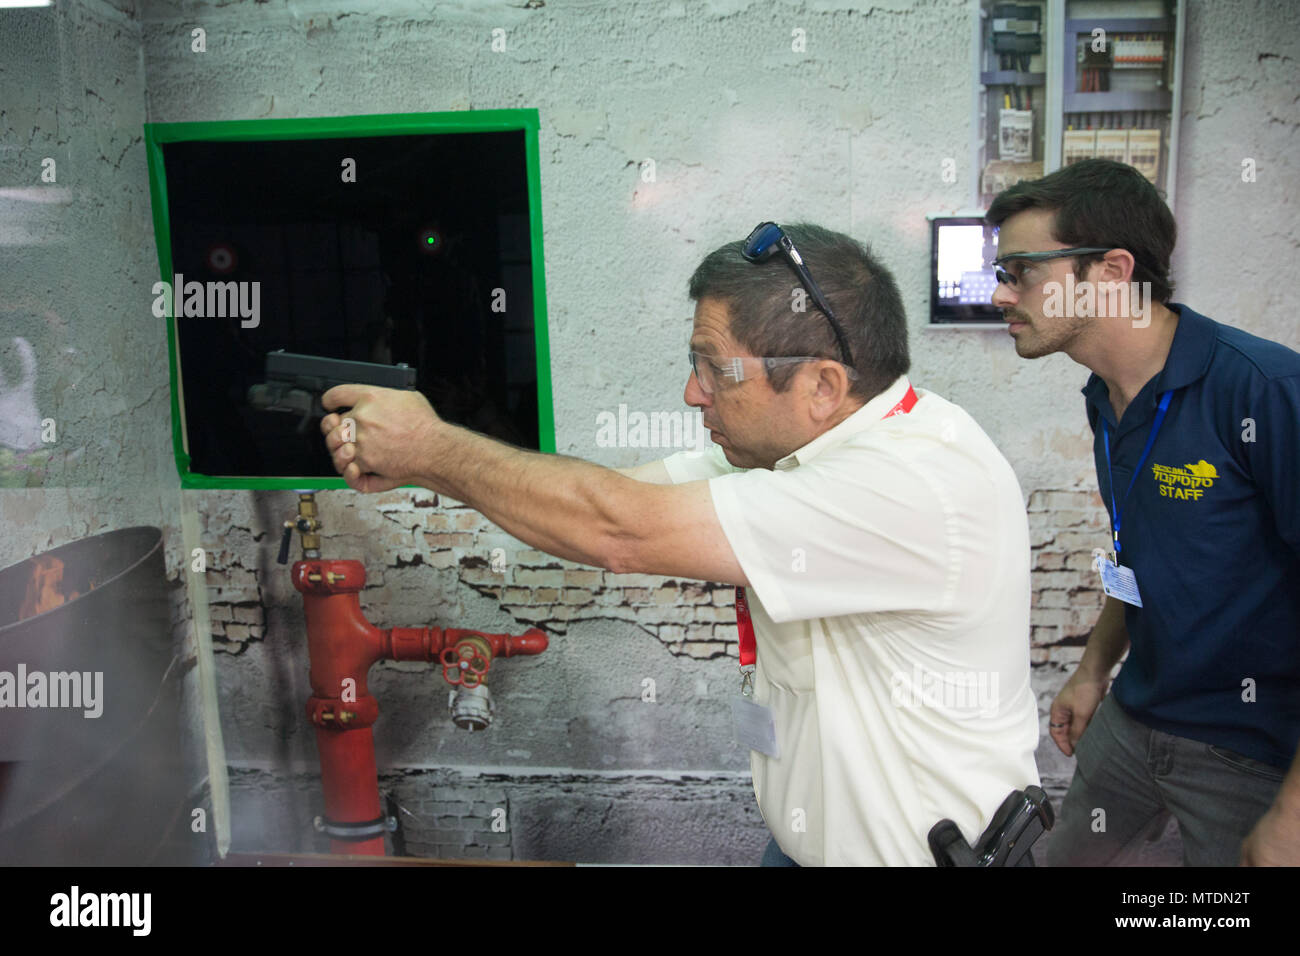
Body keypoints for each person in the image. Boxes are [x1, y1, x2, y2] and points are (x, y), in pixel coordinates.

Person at [319, 222, 1040, 866]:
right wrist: (424, 464)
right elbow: (611, 499)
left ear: (823, 385)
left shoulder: (909, 485)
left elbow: (618, 529)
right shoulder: (806, 445)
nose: (694, 395)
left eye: (713, 368)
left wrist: (434, 451)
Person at [987, 159, 1300, 866]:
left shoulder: (1264, 391)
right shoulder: (1103, 398)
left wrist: (1293, 814)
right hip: (1134, 720)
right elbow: (1141, 550)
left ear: (1112, 270)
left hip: (1251, 752)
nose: (1002, 294)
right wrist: (1095, 668)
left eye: (1021, 271)